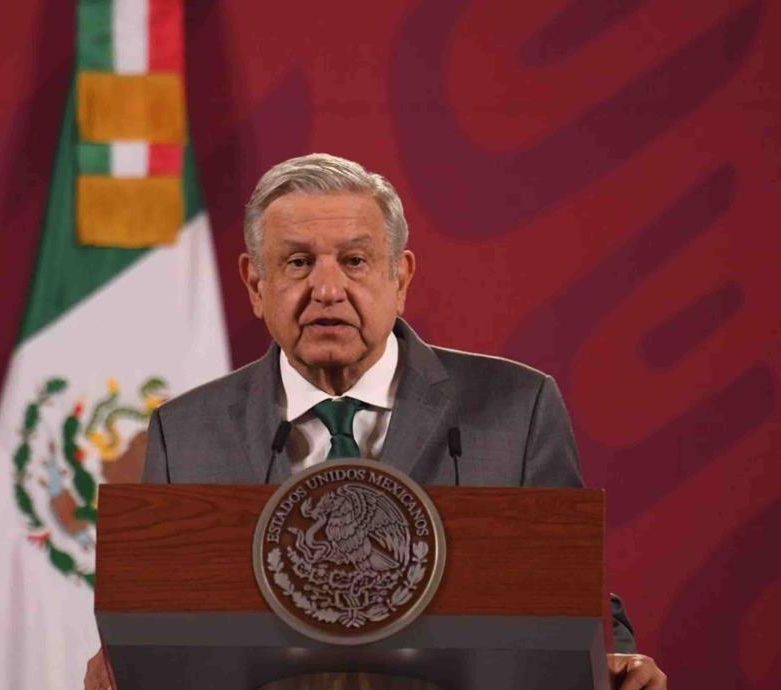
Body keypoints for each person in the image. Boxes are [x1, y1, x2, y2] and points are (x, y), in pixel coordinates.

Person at [84, 154, 668, 690]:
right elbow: (160, 613)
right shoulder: (186, 432)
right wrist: (125, 660)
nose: (327, 289)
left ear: (401, 277)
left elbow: (571, 588)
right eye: (298, 262)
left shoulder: (517, 407)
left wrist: (618, 659)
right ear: (256, 285)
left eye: (355, 261)